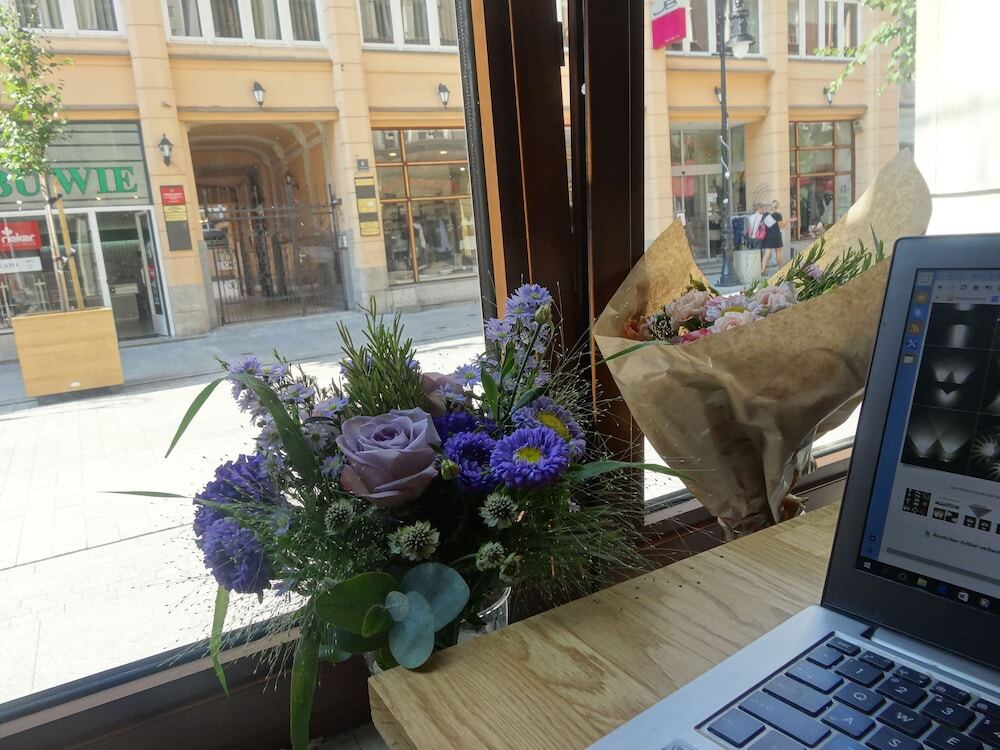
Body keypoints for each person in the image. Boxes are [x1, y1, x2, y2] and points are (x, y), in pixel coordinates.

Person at [760, 199, 789, 275]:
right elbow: (781, 226)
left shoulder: (766, 215)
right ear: (778, 206)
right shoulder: (778, 215)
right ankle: (781, 269)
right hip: (776, 236)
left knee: (767, 253)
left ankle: (763, 270)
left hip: (768, 236)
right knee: (778, 253)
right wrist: (787, 222)